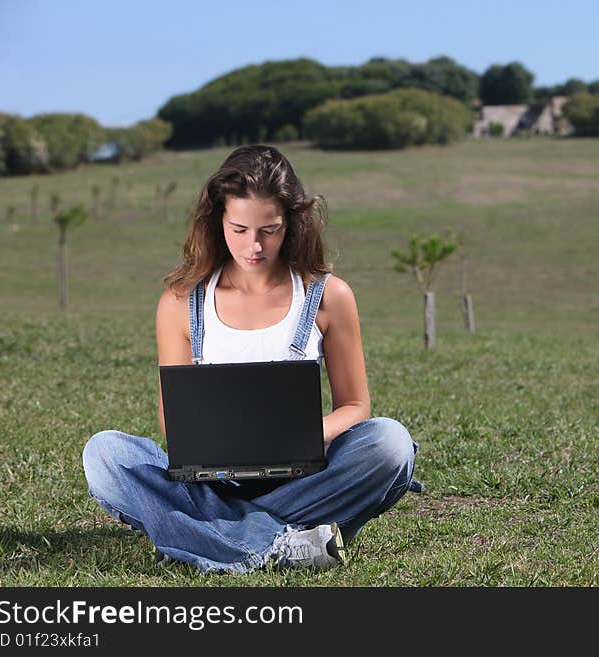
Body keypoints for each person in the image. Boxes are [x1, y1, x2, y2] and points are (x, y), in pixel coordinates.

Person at [82, 145, 420, 574]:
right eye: (239, 229)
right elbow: (174, 422)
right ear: (217, 221)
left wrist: (304, 434)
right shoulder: (180, 302)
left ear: (292, 223)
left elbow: (356, 407)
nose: (254, 246)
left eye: (270, 230)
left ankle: (204, 535)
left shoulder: (329, 295)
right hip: (214, 482)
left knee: (390, 443)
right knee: (105, 454)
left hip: (303, 477)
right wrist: (221, 445)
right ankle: (285, 543)